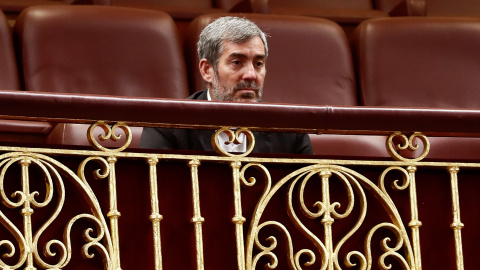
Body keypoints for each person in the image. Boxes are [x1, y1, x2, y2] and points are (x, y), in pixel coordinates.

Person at [140, 16, 313, 155]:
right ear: (207, 70)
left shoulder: (289, 131)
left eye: (258, 64)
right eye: (237, 62)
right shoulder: (166, 128)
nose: (251, 74)